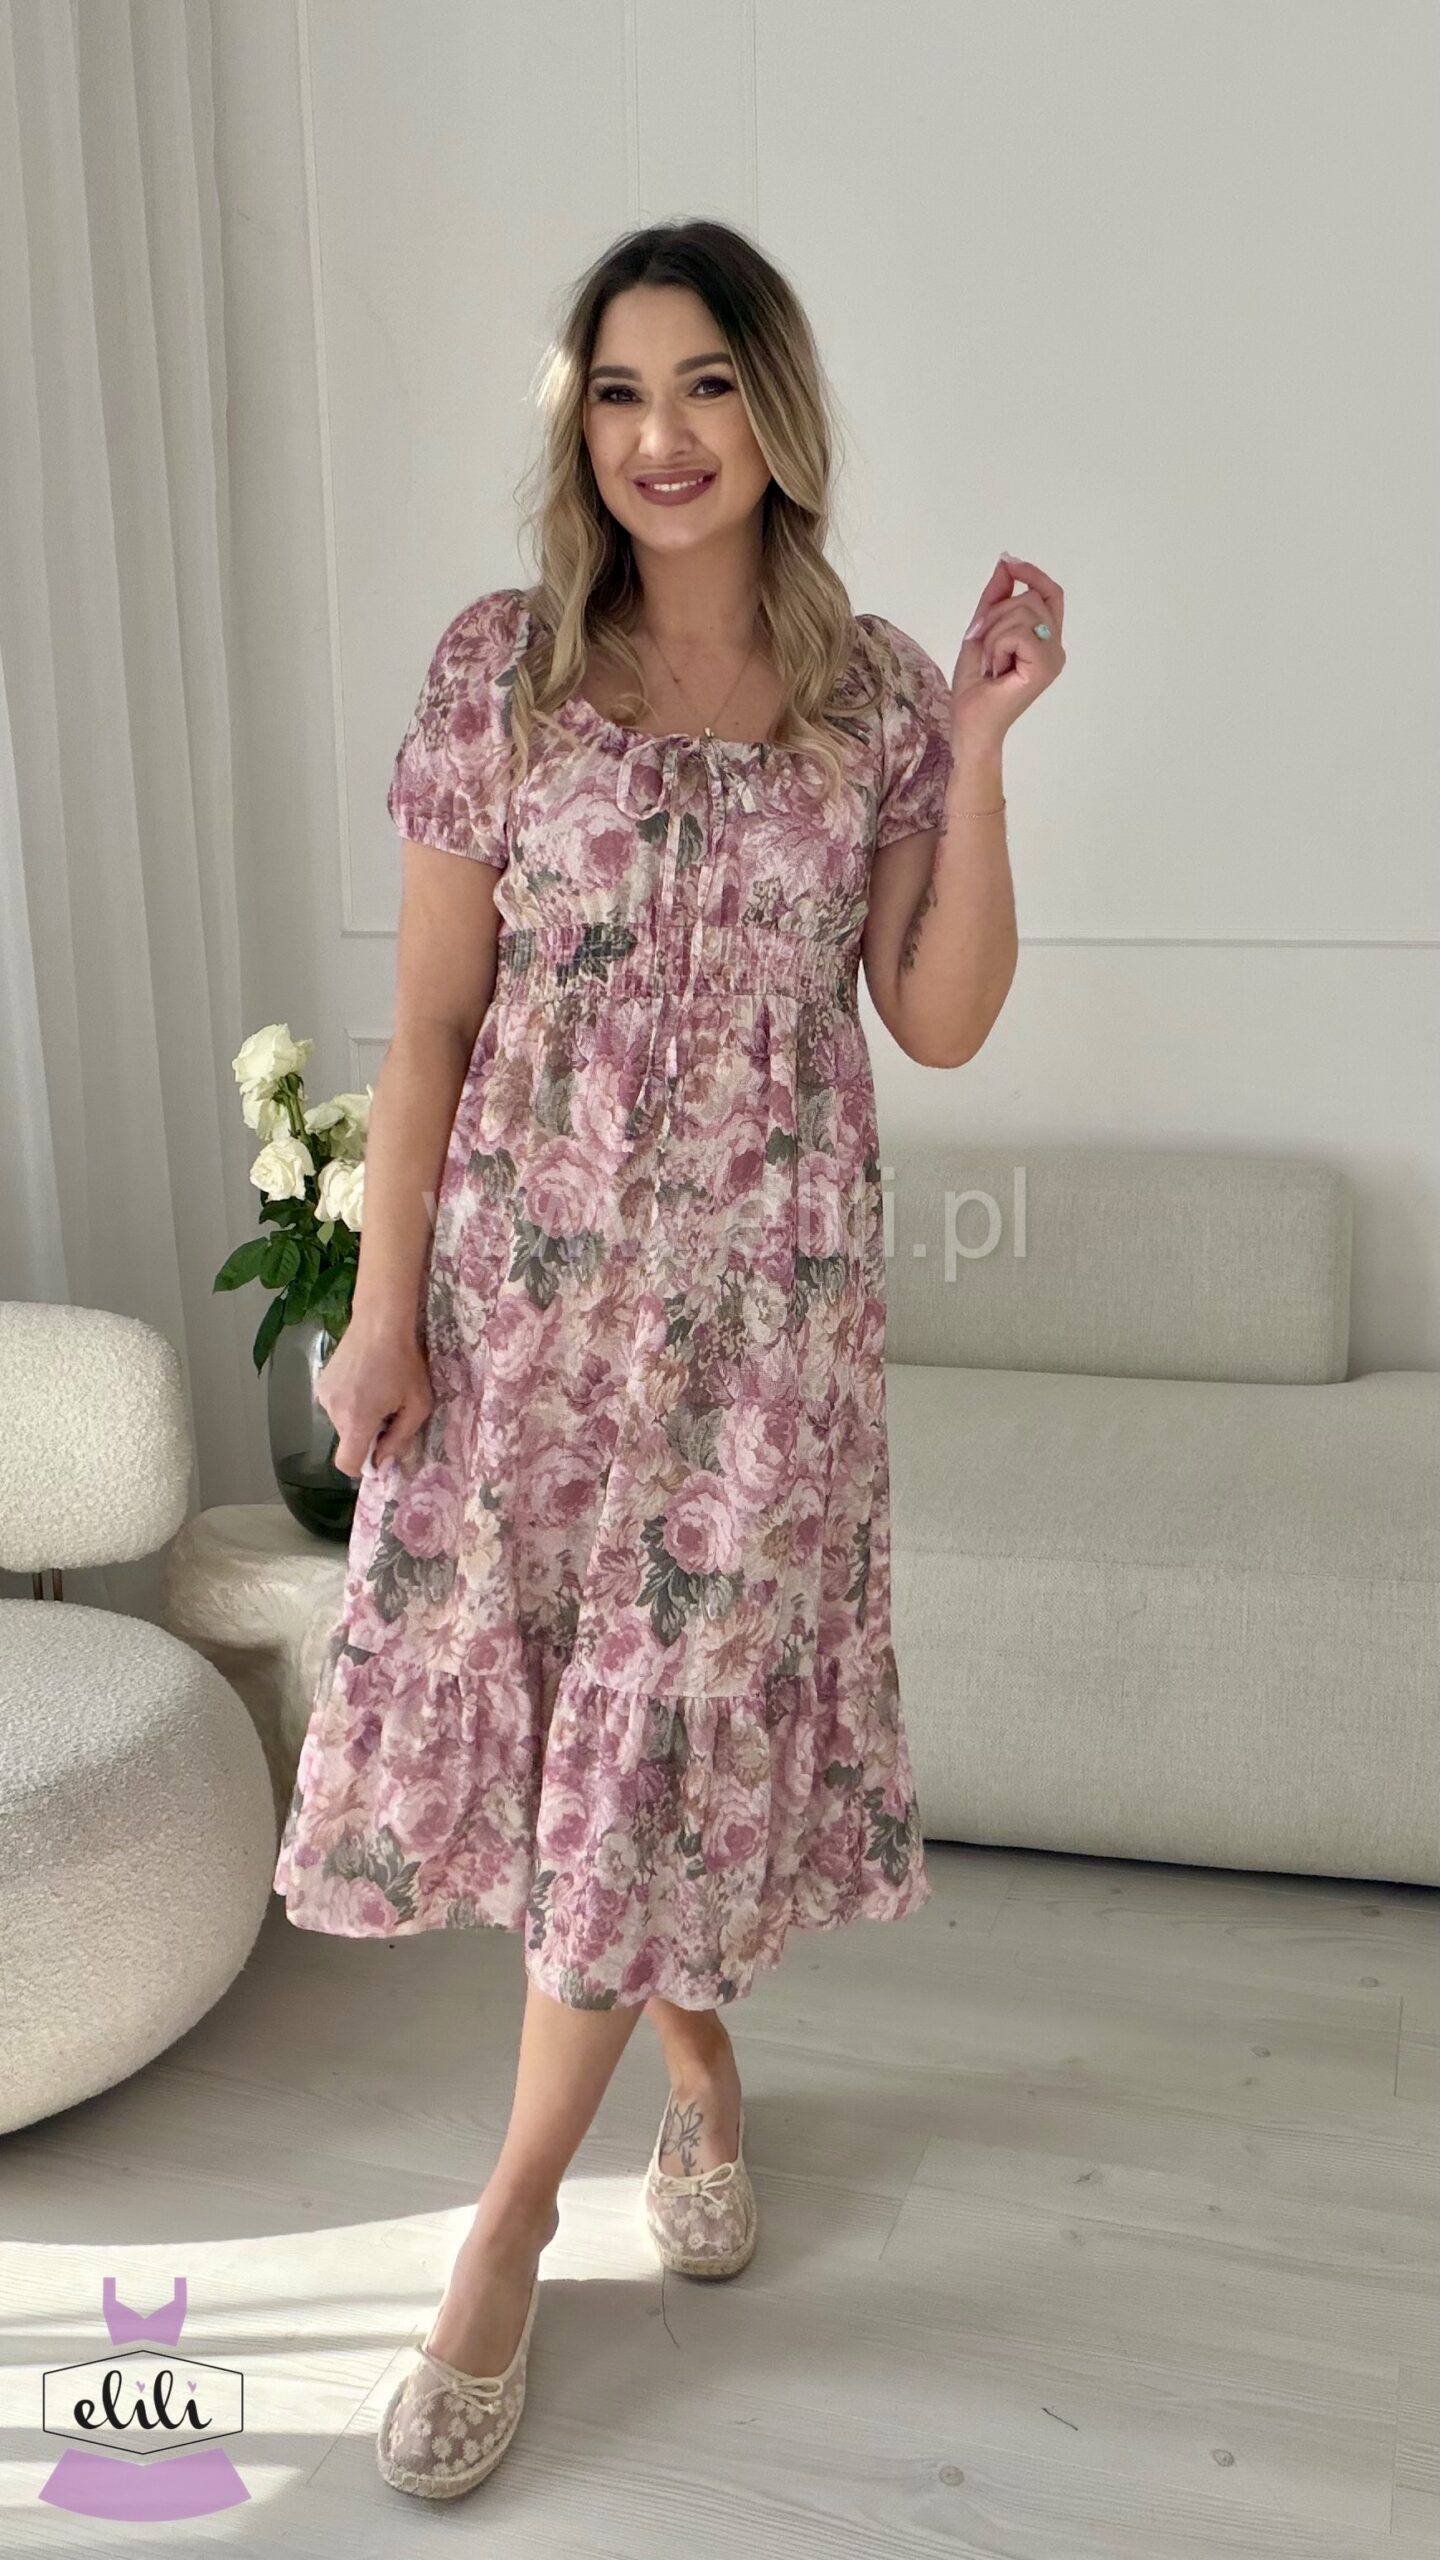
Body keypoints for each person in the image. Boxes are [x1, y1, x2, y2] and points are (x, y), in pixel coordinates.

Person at [270, 217, 1061, 2500]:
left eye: (706, 383)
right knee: (581, 1758)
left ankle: (508, 2224)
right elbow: (430, 1029)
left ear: (774, 411)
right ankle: (696, 2069)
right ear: (579, 428)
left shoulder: (873, 692)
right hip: (526, 1321)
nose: (662, 435)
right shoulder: (502, 669)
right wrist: (386, 1311)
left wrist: (980, 749)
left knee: (646, 1747)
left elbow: (937, 1018)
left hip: (759, 1346)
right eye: (619, 391)